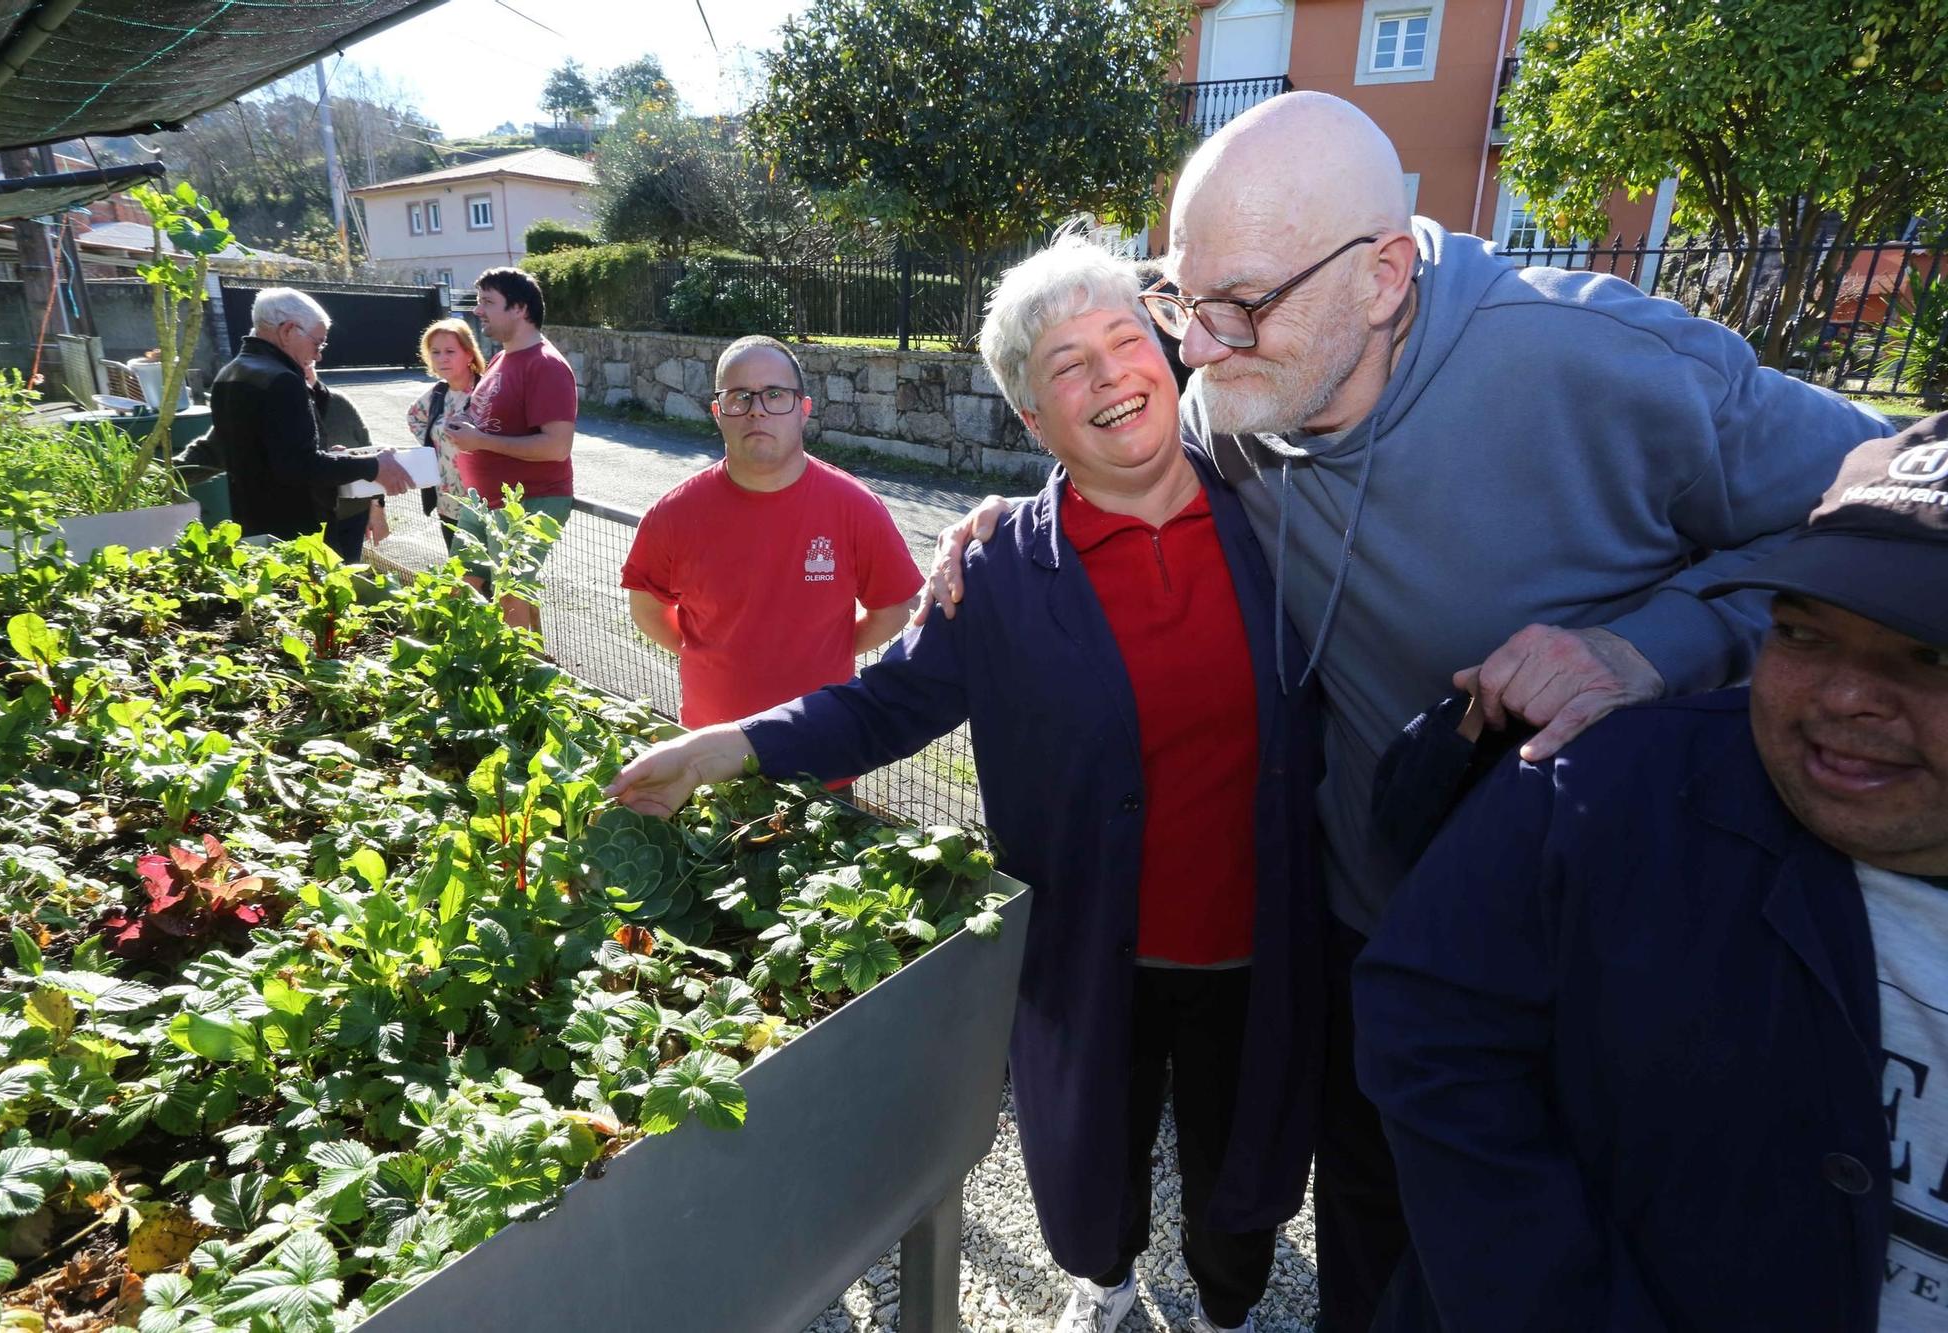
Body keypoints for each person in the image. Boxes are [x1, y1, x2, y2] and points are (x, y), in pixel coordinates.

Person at [923, 91, 1892, 1330]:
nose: (1198, 352)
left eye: (1240, 306)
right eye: (1179, 299)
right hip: (1360, 931)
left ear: (1381, 274)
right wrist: (1015, 520)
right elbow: (1123, 456)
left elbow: (1893, 515)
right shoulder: (1240, 397)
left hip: (1596, 959)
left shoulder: (1601, 362)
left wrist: (1651, 643)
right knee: (1368, 1256)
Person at [611, 240, 1325, 1333]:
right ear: (1031, 419)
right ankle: (1106, 1283)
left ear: (1169, 352)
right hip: (1092, 945)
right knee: (1091, 1145)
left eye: (1122, 339)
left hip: (1258, 936)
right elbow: (880, 704)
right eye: (1064, 365)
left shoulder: (1281, 515)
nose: (1107, 376)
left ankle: (1228, 1308)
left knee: (1247, 1149)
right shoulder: (996, 570)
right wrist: (727, 745)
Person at [1353, 418, 1948, 1331]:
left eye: (1929, 653)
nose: (1842, 698)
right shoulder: (1590, 783)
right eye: (1805, 633)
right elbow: (1427, 1023)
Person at [619, 334, 922, 729]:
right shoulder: (673, 513)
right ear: (717, 411)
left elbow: (892, 610)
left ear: (804, 409)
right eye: (739, 396)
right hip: (710, 753)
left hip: (822, 752)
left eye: (775, 394)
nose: (756, 411)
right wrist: (705, 652)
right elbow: (647, 609)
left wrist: (829, 654)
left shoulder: (856, 507)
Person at [210, 288, 412, 540]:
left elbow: (262, 452)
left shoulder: (230, 374)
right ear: (287, 331)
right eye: (317, 342)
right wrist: (372, 465)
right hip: (294, 532)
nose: (318, 354)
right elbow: (300, 465)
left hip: (250, 525)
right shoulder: (282, 379)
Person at [443, 267, 576, 630]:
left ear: (519, 308)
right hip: (483, 499)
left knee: (511, 594)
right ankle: (465, 662)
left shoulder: (546, 366)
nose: (477, 310)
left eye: (488, 302)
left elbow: (557, 447)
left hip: (528, 502)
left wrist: (481, 441)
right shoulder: (502, 359)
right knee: (459, 585)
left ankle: (521, 677)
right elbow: (487, 415)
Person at [406, 318, 486, 555]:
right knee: (461, 574)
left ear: (469, 354)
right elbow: (414, 417)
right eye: (436, 352)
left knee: (490, 579)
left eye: (450, 351)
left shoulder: (486, 392)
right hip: (447, 503)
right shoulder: (438, 394)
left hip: (482, 505)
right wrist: (436, 447)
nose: (442, 358)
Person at [305, 364, 389, 562]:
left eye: (308, 363)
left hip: (353, 514)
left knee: (350, 578)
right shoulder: (281, 408)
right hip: (311, 523)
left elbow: (368, 451)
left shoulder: (339, 402)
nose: (305, 368)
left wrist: (377, 509)